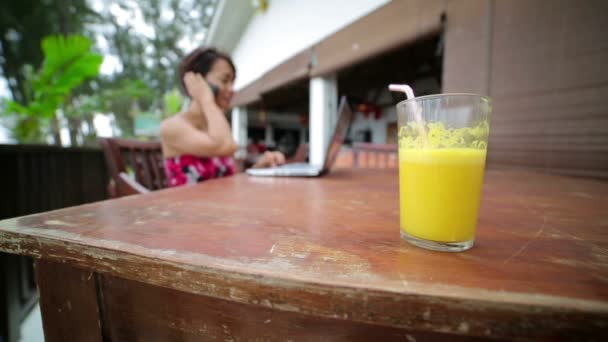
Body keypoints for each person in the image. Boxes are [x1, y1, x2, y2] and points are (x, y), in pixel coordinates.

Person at [160, 47, 285, 187]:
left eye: (232, 82)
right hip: (189, 207)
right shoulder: (172, 127)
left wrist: (259, 168)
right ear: (198, 81)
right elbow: (226, 146)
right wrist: (206, 99)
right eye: (224, 80)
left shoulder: (216, 127)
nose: (231, 89)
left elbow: (230, 180)